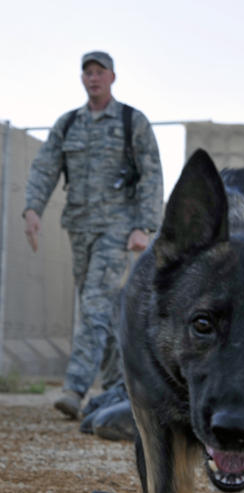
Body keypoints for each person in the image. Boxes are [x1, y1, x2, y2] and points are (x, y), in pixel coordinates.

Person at [23, 51, 163, 420]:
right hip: (80, 229)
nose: (93, 78)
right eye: (87, 72)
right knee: (108, 313)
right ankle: (121, 390)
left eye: (99, 72)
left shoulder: (133, 121)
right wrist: (32, 209)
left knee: (95, 307)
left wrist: (144, 226)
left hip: (118, 230)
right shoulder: (69, 124)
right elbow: (45, 167)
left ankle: (75, 387)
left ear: (112, 77)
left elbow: (151, 174)